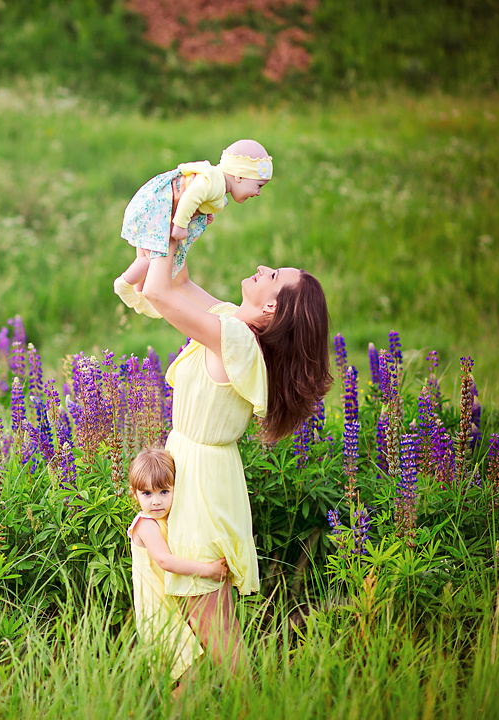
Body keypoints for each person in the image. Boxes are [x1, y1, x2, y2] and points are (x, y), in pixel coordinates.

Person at [114, 241, 332, 674]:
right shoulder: (232, 321)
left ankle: (250, 702)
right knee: (207, 635)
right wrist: (181, 224)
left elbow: (159, 294)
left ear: (272, 309)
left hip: (200, 487)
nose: (261, 265)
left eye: (272, 276)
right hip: (195, 471)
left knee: (220, 643)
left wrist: (168, 234)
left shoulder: (236, 338)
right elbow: (178, 282)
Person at [127, 447, 228, 688]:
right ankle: (173, 710)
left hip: (169, 605)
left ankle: (178, 707)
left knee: (200, 665)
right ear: (134, 494)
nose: (156, 500)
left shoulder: (166, 519)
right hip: (157, 611)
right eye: (147, 493)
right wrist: (207, 569)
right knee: (196, 669)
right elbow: (165, 561)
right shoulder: (146, 524)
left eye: (164, 491)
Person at [120, 139, 273, 287]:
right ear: (239, 176)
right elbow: (189, 197)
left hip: (155, 206)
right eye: (258, 186)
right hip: (159, 210)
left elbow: (200, 201)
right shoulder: (215, 183)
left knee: (145, 256)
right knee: (153, 257)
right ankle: (123, 284)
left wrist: (205, 213)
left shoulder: (216, 183)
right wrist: (180, 225)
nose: (258, 193)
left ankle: (138, 292)